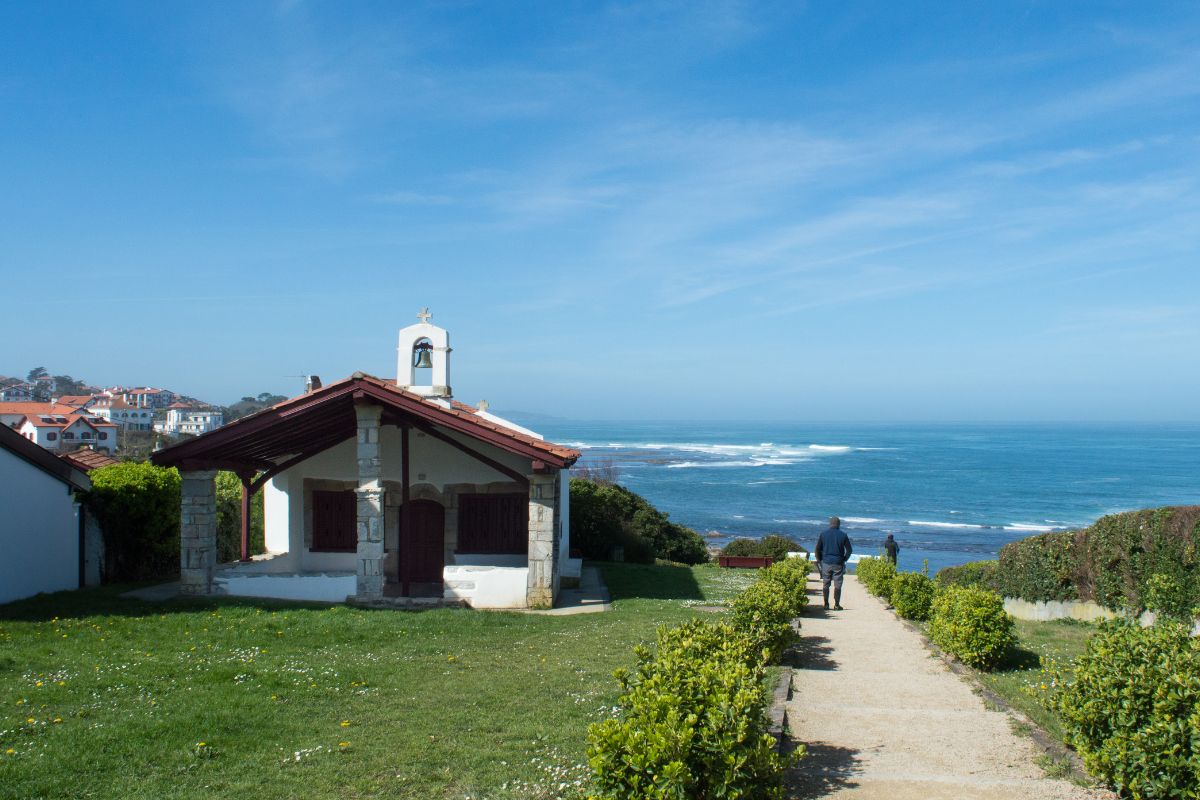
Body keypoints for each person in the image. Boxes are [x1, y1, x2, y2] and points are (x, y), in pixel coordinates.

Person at [814, 516, 853, 611]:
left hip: (826, 562)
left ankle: (826, 604)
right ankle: (836, 605)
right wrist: (844, 559)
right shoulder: (843, 535)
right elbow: (849, 550)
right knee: (838, 584)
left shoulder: (823, 534)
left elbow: (817, 549)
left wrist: (819, 560)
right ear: (839, 524)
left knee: (826, 584)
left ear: (830, 524)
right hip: (838, 563)